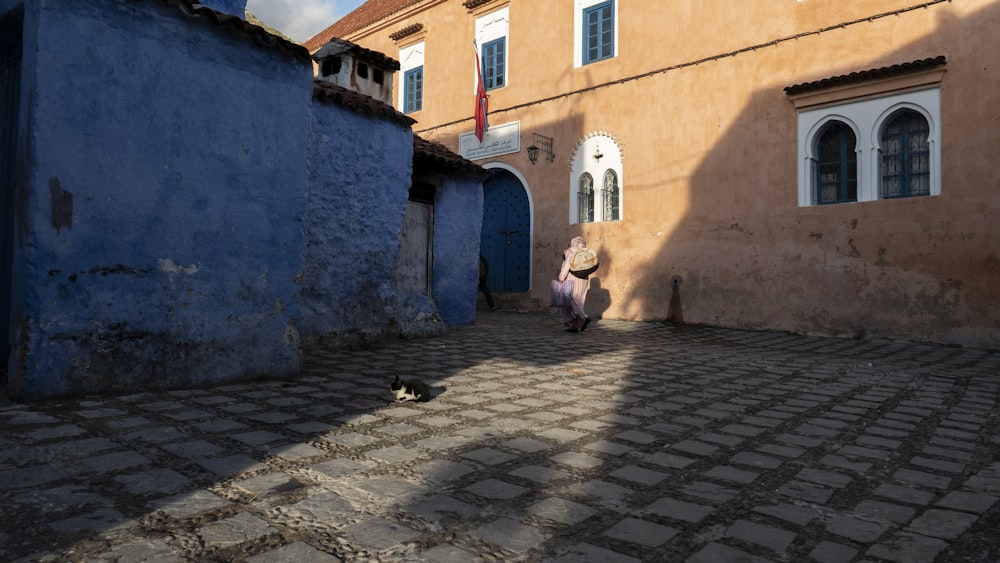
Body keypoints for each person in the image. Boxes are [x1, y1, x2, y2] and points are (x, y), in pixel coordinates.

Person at [558, 236, 592, 332]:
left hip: (572, 278)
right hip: (583, 279)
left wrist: (561, 277)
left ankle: (583, 317)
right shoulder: (587, 252)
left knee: (570, 300)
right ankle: (575, 326)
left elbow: (567, 265)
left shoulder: (571, 251)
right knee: (579, 301)